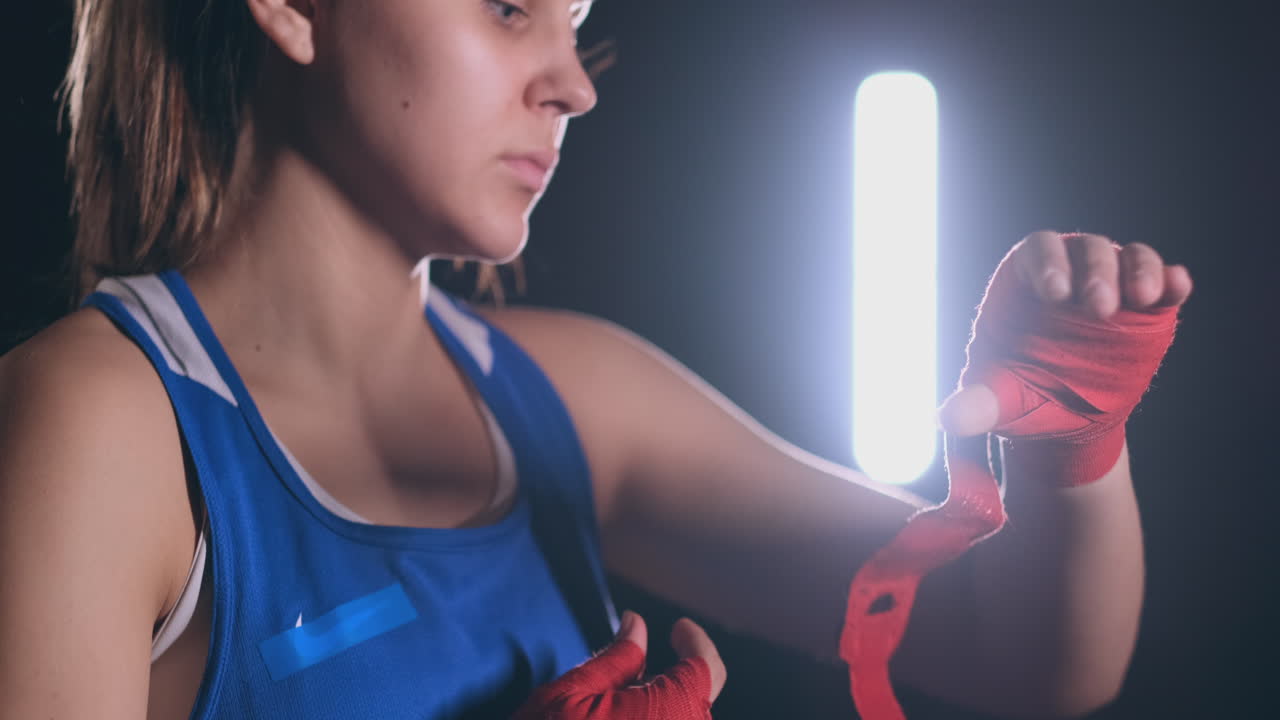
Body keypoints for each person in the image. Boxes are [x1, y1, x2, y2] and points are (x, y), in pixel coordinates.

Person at [0, 1, 1193, 718]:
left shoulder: (571, 399)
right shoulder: (97, 427)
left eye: (576, 18)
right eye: (510, 4)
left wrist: (1063, 456)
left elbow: (1026, 655)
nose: (571, 85)